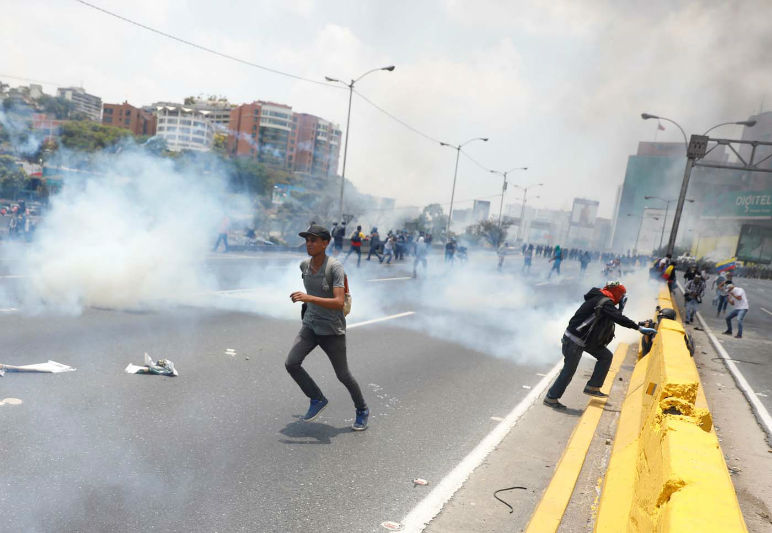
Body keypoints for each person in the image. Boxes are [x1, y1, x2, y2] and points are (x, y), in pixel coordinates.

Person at [286, 224, 369, 430]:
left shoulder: (335, 267)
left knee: (343, 375)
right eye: (307, 240)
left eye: (314, 240)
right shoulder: (304, 266)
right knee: (291, 363)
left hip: (332, 330)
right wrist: (306, 304)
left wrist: (308, 297)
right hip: (311, 326)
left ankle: (362, 409)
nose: (309, 244)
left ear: (325, 243)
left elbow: (339, 302)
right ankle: (317, 398)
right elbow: (311, 296)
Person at [544, 281, 657, 409]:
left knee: (606, 356)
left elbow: (611, 317)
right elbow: (618, 318)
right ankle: (551, 398)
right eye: (621, 295)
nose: (621, 298)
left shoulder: (601, 299)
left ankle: (593, 386)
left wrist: (620, 309)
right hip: (575, 341)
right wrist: (638, 328)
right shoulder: (604, 302)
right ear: (616, 293)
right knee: (569, 371)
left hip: (584, 340)